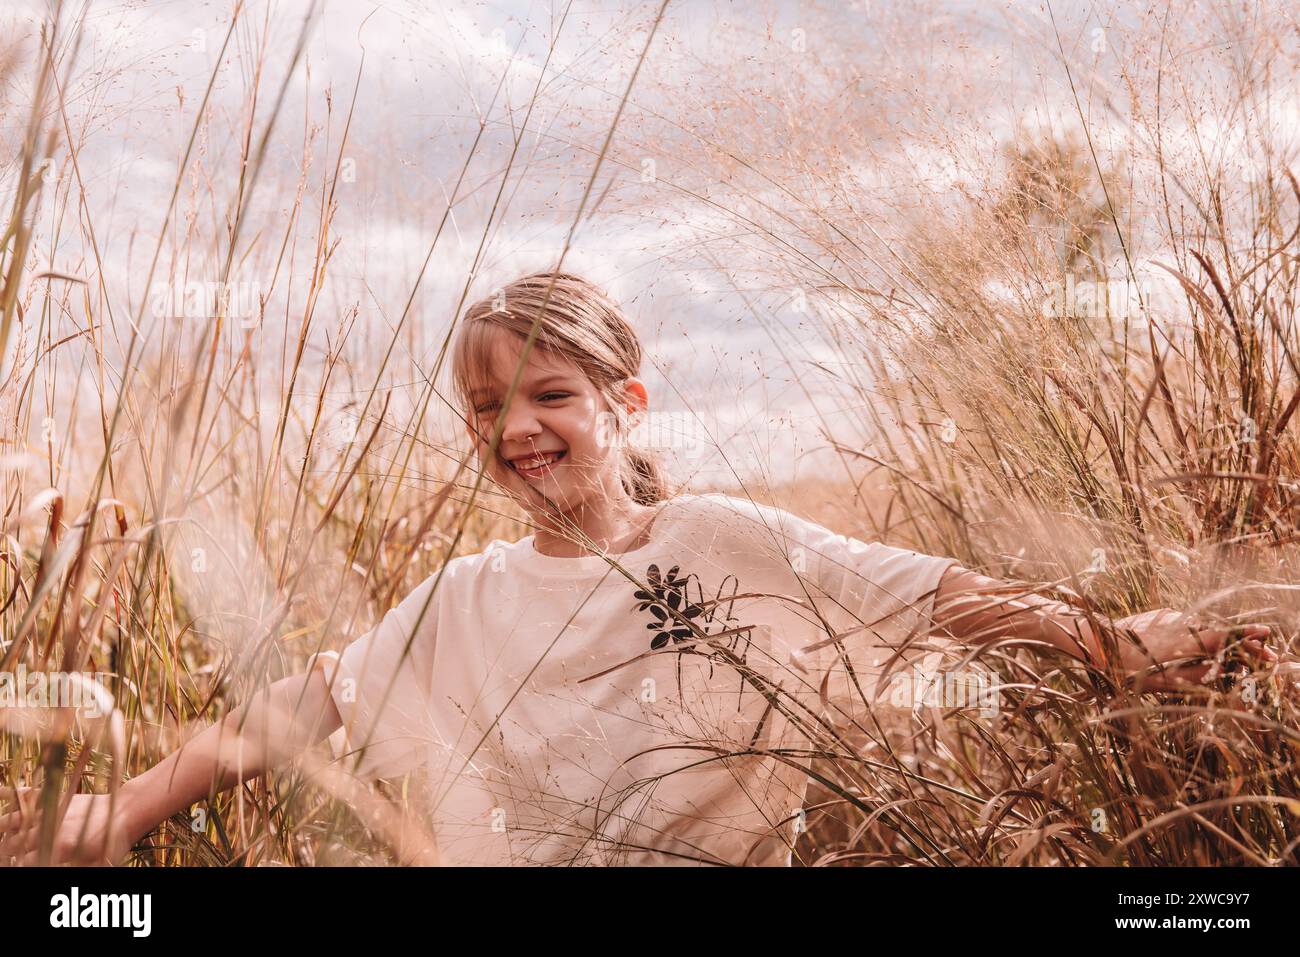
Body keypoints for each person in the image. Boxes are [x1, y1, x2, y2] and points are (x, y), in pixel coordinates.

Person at [0, 271, 1274, 867]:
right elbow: (307, 707)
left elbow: (928, 592)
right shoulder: (465, 598)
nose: (517, 430)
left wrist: (1110, 645)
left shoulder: (724, 543)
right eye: (487, 408)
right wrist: (116, 816)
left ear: (625, 405)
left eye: (549, 393)